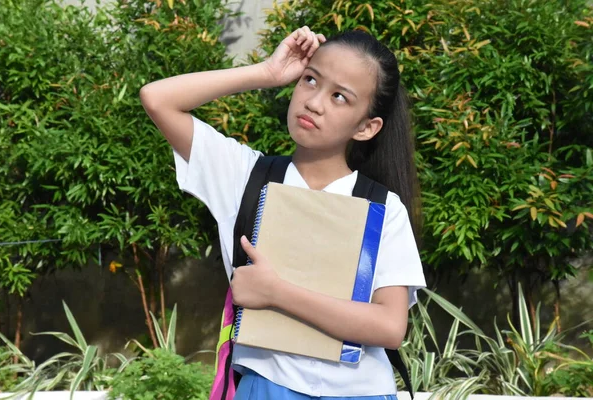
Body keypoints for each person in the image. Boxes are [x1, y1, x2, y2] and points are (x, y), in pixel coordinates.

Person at [140, 26, 427, 400]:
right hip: (266, 388)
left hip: (360, 392)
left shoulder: (382, 209)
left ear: (367, 127)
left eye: (340, 97)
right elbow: (157, 98)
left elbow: (390, 327)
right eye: (310, 80)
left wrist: (276, 293)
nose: (314, 102)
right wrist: (266, 73)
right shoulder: (244, 177)